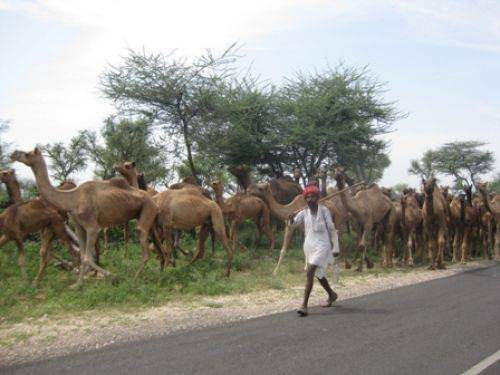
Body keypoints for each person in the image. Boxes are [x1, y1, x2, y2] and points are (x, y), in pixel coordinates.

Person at [289, 183, 340, 317]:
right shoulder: (304, 212)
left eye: (313, 196)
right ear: (305, 199)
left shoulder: (324, 211)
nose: (310, 199)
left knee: (311, 270)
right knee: (318, 274)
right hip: (309, 246)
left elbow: (331, 228)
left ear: (318, 198)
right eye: (308, 197)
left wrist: (336, 246)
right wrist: (290, 219)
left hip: (323, 245)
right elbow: (293, 225)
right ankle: (331, 294)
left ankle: (304, 305)